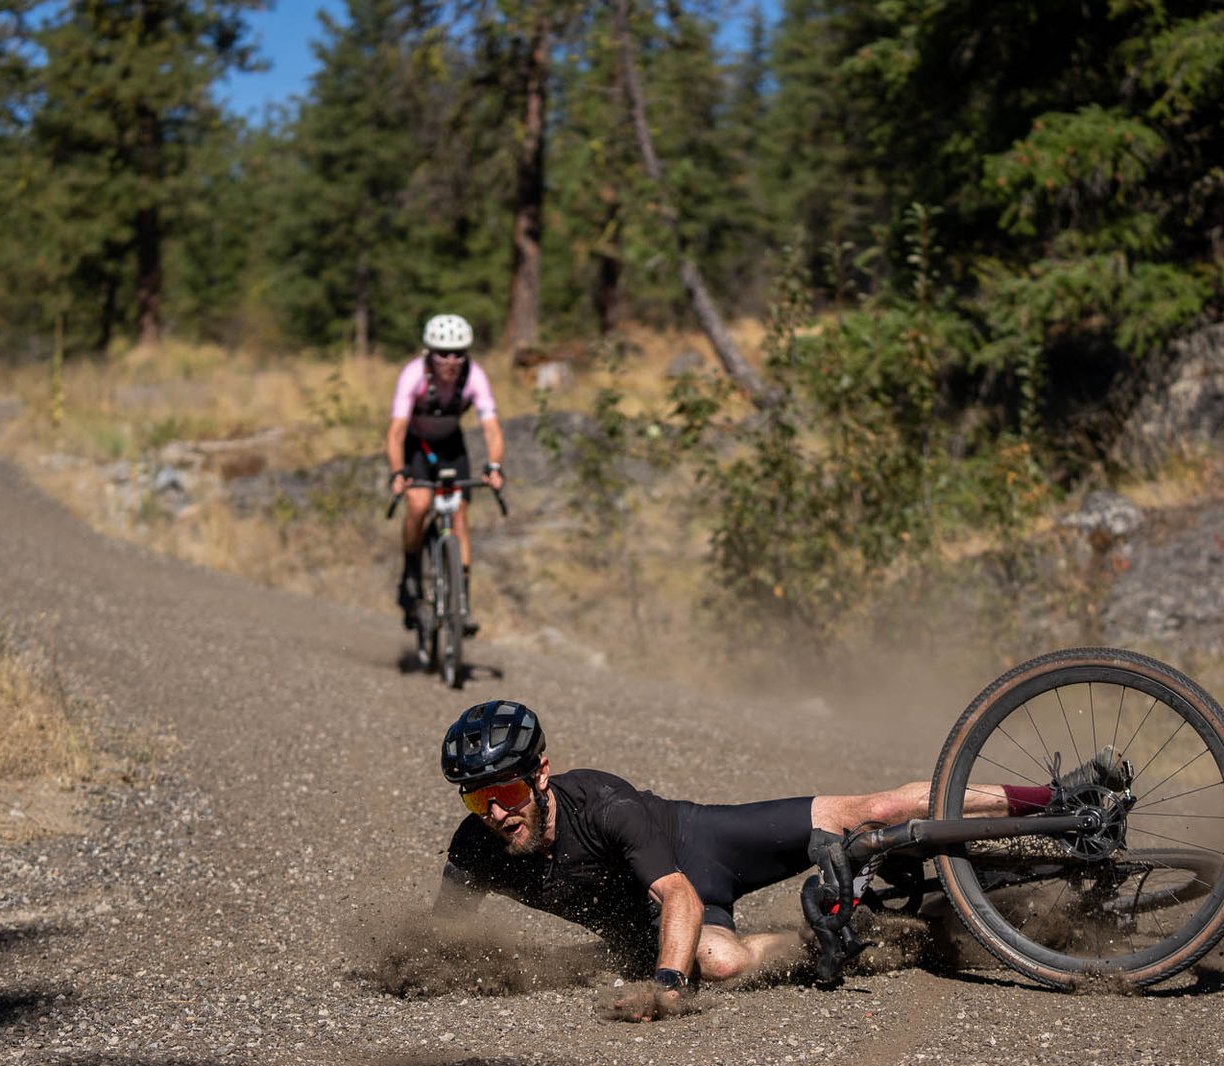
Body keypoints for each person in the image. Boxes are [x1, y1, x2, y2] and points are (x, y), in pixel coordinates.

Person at [430, 700, 1130, 1019]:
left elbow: (678, 895)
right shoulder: (476, 847)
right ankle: (862, 934)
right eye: (476, 800)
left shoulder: (604, 805)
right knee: (727, 960)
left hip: (698, 848)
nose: (496, 811)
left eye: (508, 789)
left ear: (540, 773)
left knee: (872, 811)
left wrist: (666, 988)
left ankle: (1056, 797)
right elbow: (445, 939)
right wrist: (429, 964)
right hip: (663, 915)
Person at [387, 314, 505, 636]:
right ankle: (411, 574)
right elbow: (396, 432)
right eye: (443, 353)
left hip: (452, 446)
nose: (451, 361)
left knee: (460, 517)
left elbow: (491, 429)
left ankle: (462, 605)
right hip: (417, 446)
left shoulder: (474, 377)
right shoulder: (413, 376)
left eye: (458, 353)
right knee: (419, 505)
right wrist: (398, 472)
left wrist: (494, 466)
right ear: (429, 352)